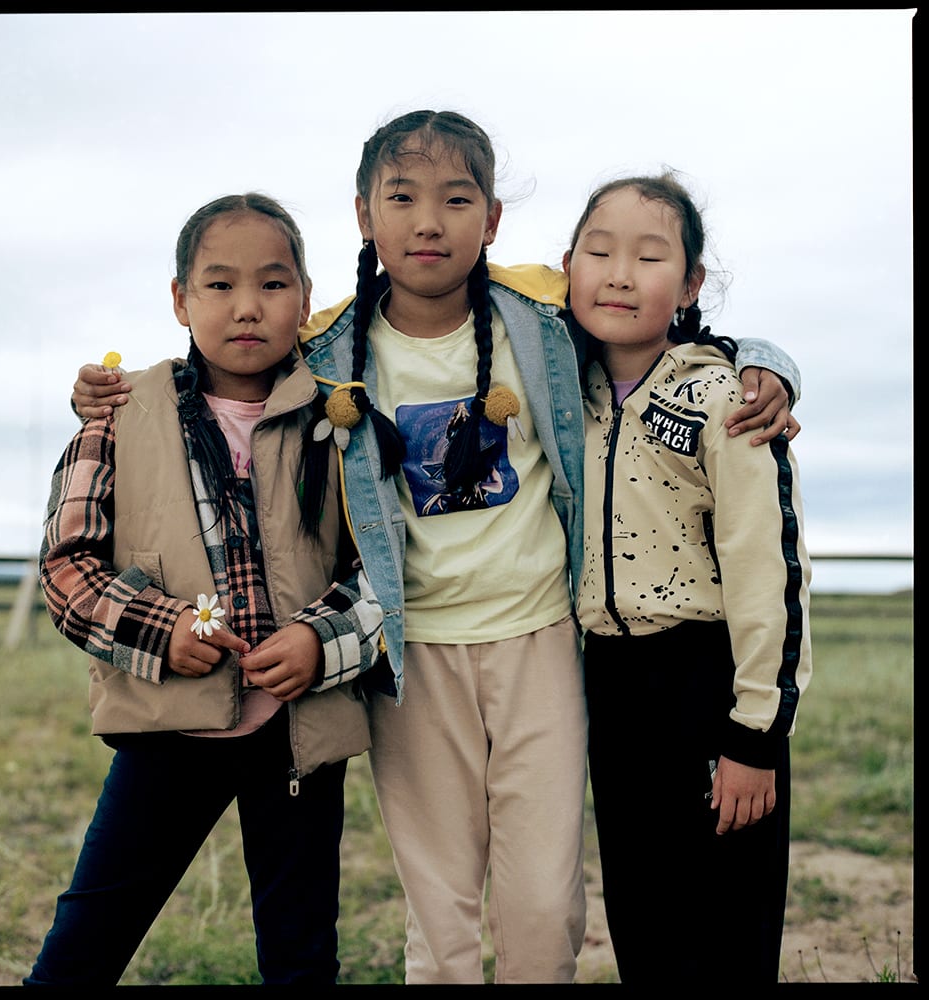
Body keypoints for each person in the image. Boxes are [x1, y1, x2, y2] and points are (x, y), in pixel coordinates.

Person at [69, 111, 801, 985]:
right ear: (363, 215)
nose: (428, 223)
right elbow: (227, 338)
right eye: (402, 198)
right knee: (440, 909)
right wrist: (106, 391)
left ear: (491, 218)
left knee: (542, 906)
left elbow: (647, 318)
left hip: (538, 643)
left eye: (456, 199)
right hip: (410, 656)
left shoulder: (541, 311)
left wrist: (765, 363)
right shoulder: (326, 345)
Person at [25, 193, 383, 987]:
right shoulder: (119, 416)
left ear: (305, 297)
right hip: (169, 730)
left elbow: (385, 568)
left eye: (273, 284)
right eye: (219, 284)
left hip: (298, 736)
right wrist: (162, 628)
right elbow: (67, 567)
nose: (247, 306)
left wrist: (320, 641)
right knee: (87, 943)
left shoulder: (342, 418)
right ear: (180, 299)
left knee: (301, 956)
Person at [562, 173, 812, 982]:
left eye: (649, 257)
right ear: (567, 267)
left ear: (691, 282)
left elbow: (767, 569)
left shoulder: (726, 399)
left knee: (728, 931)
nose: (620, 275)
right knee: (644, 923)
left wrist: (754, 738)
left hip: (708, 684)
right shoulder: (563, 392)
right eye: (599, 252)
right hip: (610, 686)